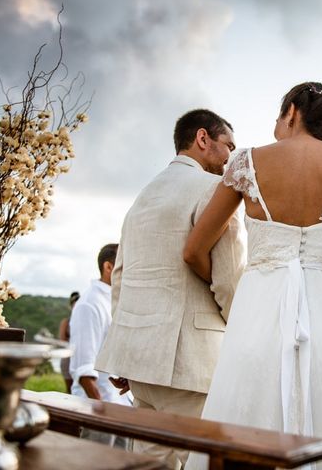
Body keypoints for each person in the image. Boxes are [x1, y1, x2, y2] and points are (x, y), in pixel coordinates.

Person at [183, 82, 322, 470]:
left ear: (292, 112)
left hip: (256, 318)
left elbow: (194, 249)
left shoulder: (245, 162)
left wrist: (238, 292)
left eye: (278, 119)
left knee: (242, 427)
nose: (275, 130)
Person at [95, 109, 245, 469]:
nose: (230, 159)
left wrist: (125, 350)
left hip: (141, 369)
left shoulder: (143, 196)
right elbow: (228, 280)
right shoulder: (214, 191)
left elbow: (121, 276)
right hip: (192, 365)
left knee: (149, 466)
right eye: (228, 145)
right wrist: (243, 330)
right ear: (202, 138)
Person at [69, 244, 131, 447]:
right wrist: (102, 412)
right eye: (123, 265)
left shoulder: (116, 301)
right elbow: (83, 368)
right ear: (108, 267)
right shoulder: (89, 304)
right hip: (99, 411)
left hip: (122, 408)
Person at [58, 290, 79, 394]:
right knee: (69, 389)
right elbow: (62, 340)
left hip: (79, 357)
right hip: (68, 358)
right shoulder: (66, 322)